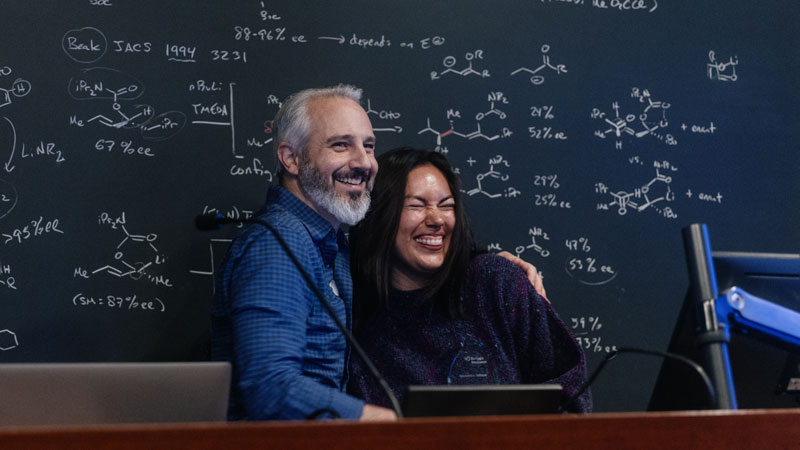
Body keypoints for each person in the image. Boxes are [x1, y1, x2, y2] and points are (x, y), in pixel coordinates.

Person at [348, 148, 592, 412]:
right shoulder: (345, 307)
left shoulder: (495, 284)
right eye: (417, 205)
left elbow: (571, 389)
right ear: (379, 214)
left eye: (447, 206)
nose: (436, 219)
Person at [211, 85, 396, 421]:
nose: (363, 163)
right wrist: (379, 421)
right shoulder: (279, 245)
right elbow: (270, 387)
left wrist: (486, 261)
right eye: (341, 145)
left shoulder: (331, 241)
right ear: (291, 158)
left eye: (368, 146)